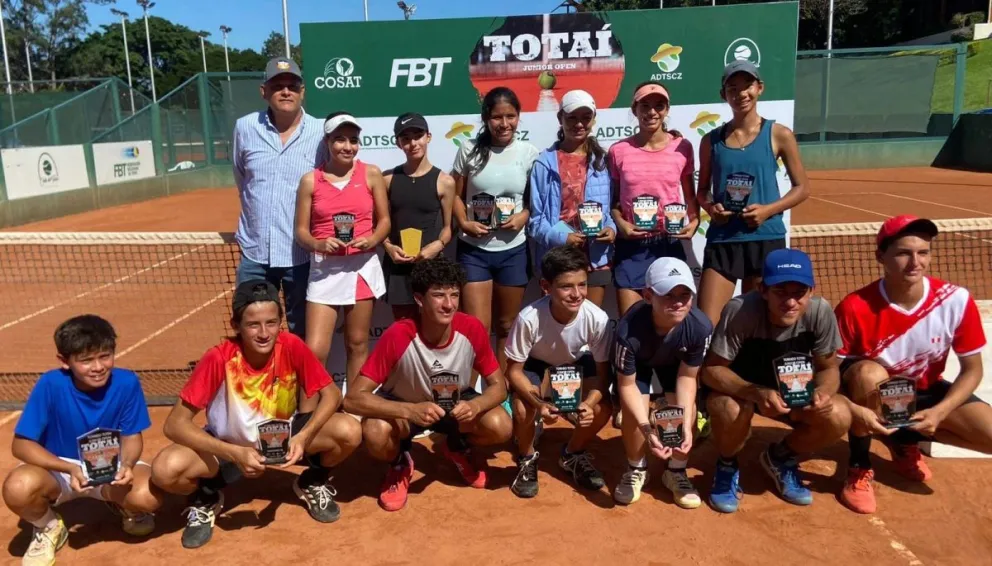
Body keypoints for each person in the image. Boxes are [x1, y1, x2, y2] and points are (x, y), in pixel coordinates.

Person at [150, 280, 362, 549]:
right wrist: (234, 453)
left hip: (285, 439)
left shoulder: (291, 345)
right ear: (236, 326)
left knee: (349, 431)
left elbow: (331, 395)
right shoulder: (219, 358)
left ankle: (312, 480)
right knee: (165, 470)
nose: (264, 333)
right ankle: (206, 498)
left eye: (271, 323)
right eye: (253, 325)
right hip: (228, 446)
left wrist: (303, 437)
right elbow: (174, 425)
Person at [834, 215, 992, 514]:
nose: (915, 262)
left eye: (923, 252)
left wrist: (939, 412)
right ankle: (859, 465)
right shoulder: (855, 306)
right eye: (903, 253)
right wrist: (852, 409)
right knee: (868, 372)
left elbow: (973, 370)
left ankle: (903, 439)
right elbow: (829, 370)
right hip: (869, 389)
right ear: (881, 257)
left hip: (926, 389)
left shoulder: (955, 300)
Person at [344, 257, 513, 512]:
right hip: (406, 408)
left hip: (456, 406)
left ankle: (457, 447)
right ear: (419, 299)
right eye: (438, 295)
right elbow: (353, 398)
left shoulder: (472, 328)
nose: (448, 304)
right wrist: (409, 410)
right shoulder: (399, 334)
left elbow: (499, 386)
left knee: (500, 425)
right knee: (376, 431)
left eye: (454, 295)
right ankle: (399, 463)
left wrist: (476, 405)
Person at [701, 248, 851, 513]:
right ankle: (727, 464)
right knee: (728, 409)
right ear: (763, 290)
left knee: (839, 415)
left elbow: (828, 368)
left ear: (811, 291)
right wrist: (755, 393)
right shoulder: (741, 311)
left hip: (795, 393)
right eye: (781, 292)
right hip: (742, 392)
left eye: (799, 293)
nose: (791, 302)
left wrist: (823, 393)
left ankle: (780, 457)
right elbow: (711, 370)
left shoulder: (820, 311)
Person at [3, 316, 159, 566]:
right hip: (59, 468)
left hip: (111, 465)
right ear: (65, 361)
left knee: (148, 496)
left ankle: (121, 503)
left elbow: (132, 436)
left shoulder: (127, 382)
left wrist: (127, 464)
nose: (98, 367)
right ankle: (48, 526)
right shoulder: (50, 384)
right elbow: (21, 445)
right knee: (18, 488)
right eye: (86, 360)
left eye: (105, 356)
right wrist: (69, 468)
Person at [695, 60, 810, 328]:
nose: (741, 94)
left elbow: (802, 188)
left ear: (760, 88)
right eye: (732, 88)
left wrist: (767, 211)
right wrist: (711, 208)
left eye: (747, 86)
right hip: (723, 239)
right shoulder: (710, 140)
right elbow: (702, 191)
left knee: (758, 325)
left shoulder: (779, 134)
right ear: (723, 94)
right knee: (706, 325)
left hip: (765, 238)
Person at [504, 246, 613, 498]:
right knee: (523, 408)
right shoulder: (529, 318)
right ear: (546, 286)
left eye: (582, 284)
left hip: (576, 362)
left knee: (602, 408)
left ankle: (572, 454)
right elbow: (514, 372)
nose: (577, 294)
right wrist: (540, 404)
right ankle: (526, 457)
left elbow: (602, 374)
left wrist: (588, 404)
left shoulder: (598, 318)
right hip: (537, 364)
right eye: (566, 287)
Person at [294, 112, 390, 394]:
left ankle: (356, 407)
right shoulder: (310, 181)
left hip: (362, 268)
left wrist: (372, 239)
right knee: (315, 350)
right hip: (325, 271)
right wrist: (319, 244)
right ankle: (311, 411)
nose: (347, 146)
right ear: (327, 141)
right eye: (339, 139)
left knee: (357, 343)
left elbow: (385, 221)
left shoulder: (371, 173)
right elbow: (301, 231)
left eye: (353, 140)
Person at [233, 57, 326, 338]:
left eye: (292, 86)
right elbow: (243, 180)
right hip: (255, 254)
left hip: (302, 255)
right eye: (277, 86)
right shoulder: (245, 127)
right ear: (264, 91)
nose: (286, 92)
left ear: (302, 91)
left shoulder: (321, 133)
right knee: (253, 333)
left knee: (302, 334)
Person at [451, 87, 540, 375]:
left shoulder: (528, 153)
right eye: (497, 117)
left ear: (519, 117)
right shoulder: (468, 150)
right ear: (486, 118)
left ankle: (501, 390)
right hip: (474, 250)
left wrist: (523, 217)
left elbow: (534, 201)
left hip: (513, 250)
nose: (504, 124)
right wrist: (464, 222)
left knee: (506, 326)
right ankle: (474, 391)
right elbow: (454, 195)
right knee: (477, 328)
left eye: (510, 116)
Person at [611, 257, 712, 508]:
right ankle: (636, 468)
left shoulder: (700, 328)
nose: (678, 302)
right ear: (648, 296)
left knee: (686, 410)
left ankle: (676, 470)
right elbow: (626, 385)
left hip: (674, 364)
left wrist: (686, 425)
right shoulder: (627, 331)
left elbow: (687, 378)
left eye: (684, 295)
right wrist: (647, 430)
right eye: (668, 295)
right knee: (634, 412)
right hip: (640, 365)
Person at [608, 81, 699, 318]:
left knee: (670, 324)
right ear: (634, 109)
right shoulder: (618, 150)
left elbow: (690, 196)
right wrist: (621, 223)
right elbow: (614, 202)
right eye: (645, 105)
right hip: (631, 246)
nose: (652, 112)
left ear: (667, 110)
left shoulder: (682, 147)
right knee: (630, 325)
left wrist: (694, 222)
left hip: (668, 242)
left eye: (659, 105)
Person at [528, 90, 616, 308]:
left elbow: (611, 210)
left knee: (592, 322)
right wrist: (562, 237)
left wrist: (611, 229)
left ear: (594, 120)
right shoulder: (544, 163)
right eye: (572, 118)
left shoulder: (603, 161)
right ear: (560, 118)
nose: (579, 124)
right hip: (558, 257)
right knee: (558, 324)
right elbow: (535, 221)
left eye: (586, 117)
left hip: (596, 258)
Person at [382, 113, 456, 321]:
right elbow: (379, 223)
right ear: (398, 143)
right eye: (406, 139)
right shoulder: (387, 179)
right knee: (404, 327)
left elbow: (448, 228)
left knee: (434, 326)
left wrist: (437, 246)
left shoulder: (445, 181)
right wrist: (388, 247)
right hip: (398, 267)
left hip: (432, 267)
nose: (413, 143)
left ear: (428, 137)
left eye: (418, 136)